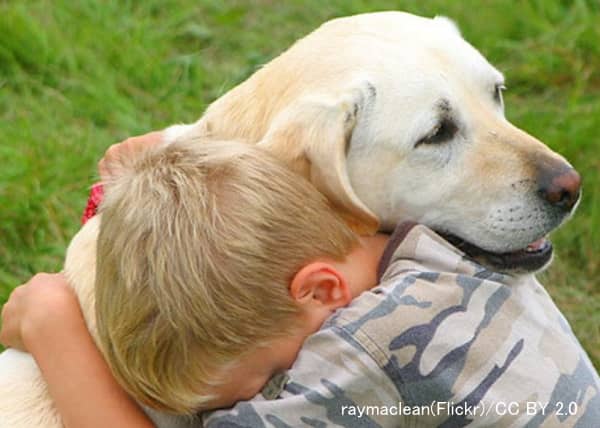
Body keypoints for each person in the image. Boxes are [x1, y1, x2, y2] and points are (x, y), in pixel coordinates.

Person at [1, 137, 599, 427]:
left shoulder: (361, 350)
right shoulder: (440, 244)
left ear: (319, 291)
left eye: (264, 379)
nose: (262, 399)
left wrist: (53, 322)